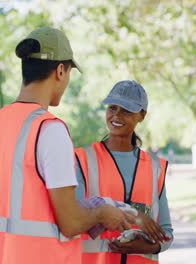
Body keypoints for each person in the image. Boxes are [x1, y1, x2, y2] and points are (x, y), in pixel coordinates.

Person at [0, 27, 136, 264]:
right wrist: (103, 213)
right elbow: (72, 222)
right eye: (69, 73)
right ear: (60, 70)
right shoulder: (48, 129)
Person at [74, 80, 174, 264]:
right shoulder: (82, 159)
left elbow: (166, 233)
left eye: (126, 110)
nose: (116, 115)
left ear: (142, 115)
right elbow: (74, 218)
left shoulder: (154, 167)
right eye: (112, 107)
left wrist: (150, 247)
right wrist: (135, 216)